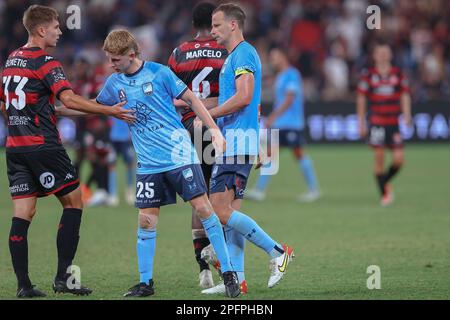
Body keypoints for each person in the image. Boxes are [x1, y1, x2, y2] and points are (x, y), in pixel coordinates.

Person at [0, 5, 133, 298]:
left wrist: (35, 118)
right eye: (56, 27)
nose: (60, 31)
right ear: (40, 30)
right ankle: (62, 278)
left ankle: (23, 286)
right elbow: (70, 99)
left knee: (23, 213)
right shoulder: (46, 61)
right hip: (44, 147)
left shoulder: (11, 60)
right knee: (74, 203)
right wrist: (108, 110)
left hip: (16, 148)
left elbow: (7, 106)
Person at [97, 29, 240, 298]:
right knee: (146, 221)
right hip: (149, 164)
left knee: (203, 208)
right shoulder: (114, 83)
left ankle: (229, 273)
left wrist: (214, 130)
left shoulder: (160, 73)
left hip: (178, 155)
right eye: (109, 59)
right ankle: (145, 283)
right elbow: (95, 105)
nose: (110, 65)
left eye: (115, 60)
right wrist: (56, 108)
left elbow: (192, 100)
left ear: (131, 55)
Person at [200, 4, 295, 295]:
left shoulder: (244, 53)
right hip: (237, 143)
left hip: (236, 144)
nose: (212, 31)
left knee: (217, 212)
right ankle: (237, 280)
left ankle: (278, 251)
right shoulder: (233, 58)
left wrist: (208, 115)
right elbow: (246, 103)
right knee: (230, 215)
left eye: (216, 25)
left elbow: (244, 97)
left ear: (232, 25)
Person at [168, 1, 228, 289]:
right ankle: (222, 259)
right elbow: (235, 94)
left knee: (199, 195)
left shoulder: (179, 53)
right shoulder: (227, 51)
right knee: (224, 196)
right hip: (219, 128)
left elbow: (168, 96)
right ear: (215, 21)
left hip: (189, 129)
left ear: (194, 24)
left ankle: (203, 270)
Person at [246, 47, 320, 203]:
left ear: (283, 57)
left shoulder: (292, 74)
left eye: (275, 57)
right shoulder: (280, 76)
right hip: (281, 124)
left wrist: (273, 116)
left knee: (298, 154)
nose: (272, 61)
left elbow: (289, 98)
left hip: (291, 124)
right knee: (271, 155)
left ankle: (314, 190)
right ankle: (259, 190)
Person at [356, 41, 412, 206]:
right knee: (379, 156)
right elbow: (361, 98)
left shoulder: (398, 74)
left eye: (385, 53)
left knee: (398, 160)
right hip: (377, 122)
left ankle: (384, 181)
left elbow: (405, 95)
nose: (383, 55)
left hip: (393, 122)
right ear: (374, 56)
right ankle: (385, 195)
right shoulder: (368, 75)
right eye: (379, 53)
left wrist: (407, 114)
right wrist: (361, 122)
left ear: (390, 55)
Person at [107, 115, 135, 206]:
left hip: (126, 138)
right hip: (113, 138)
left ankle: (130, 192)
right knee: (111, 165)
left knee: (130, 164)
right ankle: (113, 194)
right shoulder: (111, 101)